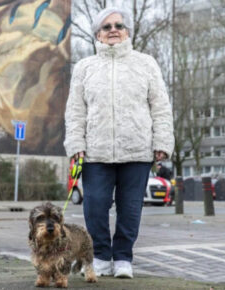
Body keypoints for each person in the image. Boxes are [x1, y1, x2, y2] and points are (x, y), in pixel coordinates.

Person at [64, 7, 174, 279]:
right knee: (95, 206)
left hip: (137, 150)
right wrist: (75, 143)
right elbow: (75, 111)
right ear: (97, 35)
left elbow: (160, 107)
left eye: (119, 25)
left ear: (127, 32)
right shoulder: (84, 68)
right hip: (95, 153)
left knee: (130, 208)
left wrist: (162, 141)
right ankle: (101, 255)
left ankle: (123, 257)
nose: (113, 29)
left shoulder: (146, 63)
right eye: (106, 26)